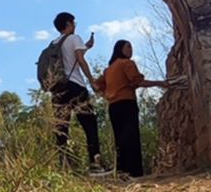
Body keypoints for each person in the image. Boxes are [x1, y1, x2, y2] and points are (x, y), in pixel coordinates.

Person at [100, 39, 168, 178]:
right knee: (131, 138)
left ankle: (122, 172)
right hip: (127, 104)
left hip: (113, 107)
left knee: (119, 140)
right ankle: (135, 173)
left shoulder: (108, 70)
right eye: (128, 46)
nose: (131, 49)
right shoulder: (127, 64)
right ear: (120, 49)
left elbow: (98, 86)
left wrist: (109, 94)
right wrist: (159, 83)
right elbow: (139, 81)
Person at [49, 11, 104, 173]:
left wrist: (86, 46)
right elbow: (79, 59)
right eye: (74, 23)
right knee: (90, 125)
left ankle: (64, 167)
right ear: (68, 24)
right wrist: (92, 80)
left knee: (62, 128)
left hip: (58, 90)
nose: (75, 26)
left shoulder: (54, 43)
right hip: (76, 87)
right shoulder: (74, 38)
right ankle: (95, 164)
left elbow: (70, 56)